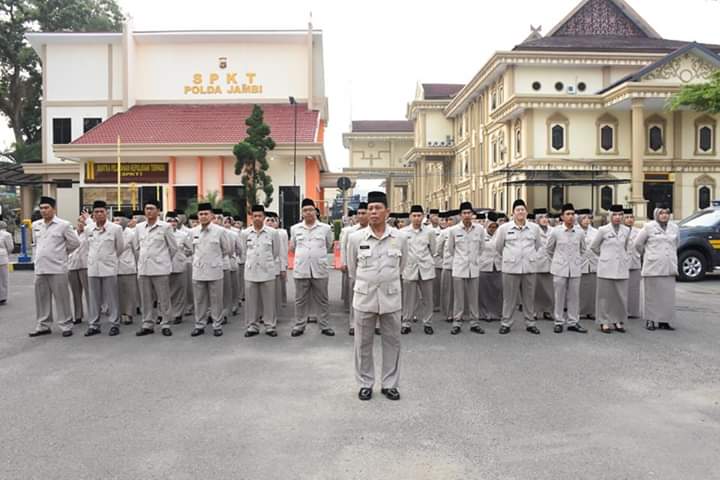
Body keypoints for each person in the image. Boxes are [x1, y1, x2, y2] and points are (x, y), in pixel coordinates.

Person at [347, 191, 407, 401]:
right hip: (364, 297)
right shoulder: (355, 239)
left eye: (378, 208)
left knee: (392, 342)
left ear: (387, 212)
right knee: (362, 343)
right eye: (370, 208)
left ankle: (390, 384)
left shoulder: (400, 238)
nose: (373, 212)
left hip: (391, 297)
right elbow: (353, 270)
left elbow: (402, 266)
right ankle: (365, 383)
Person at [29, 196, 80, 338]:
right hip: (40, 267)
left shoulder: (63, 225)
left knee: (62, 298)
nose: (43, 211)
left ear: (54, 209)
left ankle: (65, 325)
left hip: (57, 267)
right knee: (41, 298)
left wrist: (62, 254)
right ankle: (43, 325)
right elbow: (35, 244)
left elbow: (75, 243)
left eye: (46, 208)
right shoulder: (36, 225)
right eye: (41, 208)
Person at [495, 199, 542, 335]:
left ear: (526, 212)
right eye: (518, 210)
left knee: (529, 297)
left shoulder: (534, 228)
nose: (520, 212)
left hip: (529, 267)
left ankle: (530, 323)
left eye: (523, 210)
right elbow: (498, 247)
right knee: (509, 298)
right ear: (513, 213)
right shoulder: (504, 229)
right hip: (511, 268)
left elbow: (538, 245)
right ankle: (506, 323)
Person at [290, 198, 335, 337]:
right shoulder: (295, 229)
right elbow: (293, 247)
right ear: (302, 213)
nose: (308, 212)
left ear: (315, 211)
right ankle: (299, 325)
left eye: (311, 210)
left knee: (322, 299)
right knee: (300, 299)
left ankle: (324, 325)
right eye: (305, 210)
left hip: (319, 268)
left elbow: (329, 245)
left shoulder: (325, 228)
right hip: (301, 268)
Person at [133, 200, 178, 337]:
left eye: (152, 209)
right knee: (146, 298)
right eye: (147, 208)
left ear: (158, 211)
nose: (149, 211)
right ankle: (147, 323)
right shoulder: (139, 227)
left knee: (163, 298)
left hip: (160, 268)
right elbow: (136, 247)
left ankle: (165, 323)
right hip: (144, 268)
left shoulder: (165, 227)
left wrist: (163, 260)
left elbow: (173, 248)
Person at [634, 204, 679, 331]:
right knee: (652, 295)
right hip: (653, 265)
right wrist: (647, 254)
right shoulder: (648, 227)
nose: (664, 215)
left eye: (666, 212)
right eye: (661, 213)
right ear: (656, 214)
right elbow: (637, 244)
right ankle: (651, 319)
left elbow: (677, 243)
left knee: (667, 295)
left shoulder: (674, 227)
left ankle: (664, 320)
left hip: (669, 265)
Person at [84, 200, 125, 336]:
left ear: (106, 213)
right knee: (93, 297)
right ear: (93, 214)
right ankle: (94, 324)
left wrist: (109, 258)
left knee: (112, 297)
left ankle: (114, 323)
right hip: (93, 268)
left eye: (102, 211)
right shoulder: (88, 229)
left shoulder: (115, 229)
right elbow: (87, 247)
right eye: (96, 212)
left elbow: (119, 248)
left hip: (109, 267)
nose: (99, 214)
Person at [190, 203, 231, 337]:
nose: (203, 216)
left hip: (214, 271)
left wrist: (214, 260)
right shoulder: (193, 232)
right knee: (199, 300)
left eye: (206, 214)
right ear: (198, 216)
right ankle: (199, 325)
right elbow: (191, 249)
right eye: (201, 214)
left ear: (212, 215)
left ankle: (217, 325)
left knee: (216, 300)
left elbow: (227, 249)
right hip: (198, 271)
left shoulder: (220, 231)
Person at [546, 204, 588, 334]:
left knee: (574, 296)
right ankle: (558, 321)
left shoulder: (579, 232)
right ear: (562, 216)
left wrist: (577, 261)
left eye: (572, 214)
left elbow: (583, 249)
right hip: (559, 268)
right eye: (568, 214)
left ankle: (573, 322)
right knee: (559, 296)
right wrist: (558, 260)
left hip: (574, 268)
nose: (571, 217)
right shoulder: (556, 231)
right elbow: (549, 249)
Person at [590, 204, 631, 334]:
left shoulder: (626, 230)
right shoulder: (603, 230)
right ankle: (604, 321)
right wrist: (604, 256)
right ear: (610, 216)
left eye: (620, 215)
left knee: (620, 296)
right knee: (604, 296)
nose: (617, 217)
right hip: (606, 267)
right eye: (615, 215)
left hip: (621, 267)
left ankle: (618, 320)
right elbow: (594, 247)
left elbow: (625, 246)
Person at [241, 205, 281, 337]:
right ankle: (252, 326)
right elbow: (243, 251)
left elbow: (275, 252)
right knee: (251, 301)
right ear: (251, 217)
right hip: (251, 271)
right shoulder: (245, 233)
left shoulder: (272, 233)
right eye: (254, 216)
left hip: (267, 271)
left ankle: (270, 325)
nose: (257, 218)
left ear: (264, 217)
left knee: (269, 300)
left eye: (260, 216)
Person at [447, 202, 485, 335]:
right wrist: (460, 259)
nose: (467, 215)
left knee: (474, 297)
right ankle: (457, 322)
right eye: (464, 213)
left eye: (469, 213)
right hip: (459, 268)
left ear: (472, 214)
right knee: (458, 297)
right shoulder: (454, 230)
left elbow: (481, 247)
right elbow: (451, 249)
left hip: (473, 267)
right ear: (460, 215)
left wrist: (474, 258)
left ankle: (474, 323)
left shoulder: (479, 229)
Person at [400, 205, 437, 335]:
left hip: (425, 268)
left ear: (423, 217)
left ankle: (427, 322)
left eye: (419, 215)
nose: (416, 218)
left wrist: (426, 260)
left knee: (428, 298)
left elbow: (433, 250)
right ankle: (406, 322)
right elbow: (401, 251)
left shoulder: (429, 232)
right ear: (410, 217)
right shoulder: (403, 232)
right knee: (408, 298)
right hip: (409, 268)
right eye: (414, 216)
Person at [342, 202, 369, 336]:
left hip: (371, 270)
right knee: (354, 298)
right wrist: (345, 264)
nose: (361, 216)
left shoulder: (375, 230)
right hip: (355, 269)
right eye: (359, 213)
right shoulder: (350, 232)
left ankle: (375, 324)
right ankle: (353, 324)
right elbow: (345, 249)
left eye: (364, 213)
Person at [166, 212, 192, 325]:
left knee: (179, 292)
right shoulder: (161, 233)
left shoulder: (183, 235)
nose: (172, 223)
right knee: (164, 292)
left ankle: (178, 314)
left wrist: (182, 255)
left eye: (175, 221)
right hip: (163, 265)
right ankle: (164, 314)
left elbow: (191, 249)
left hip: (179, 265)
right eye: (170, 221)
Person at [113, 212, 138, 325]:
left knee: (129, 292)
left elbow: (136, 251)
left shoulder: (132, 234)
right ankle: (120, 313)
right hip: (114, 266)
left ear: (125, 221)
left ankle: (129, 313)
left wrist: (138, 266)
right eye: (115, 219)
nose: (116, 222)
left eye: (119, 219)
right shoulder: (112, 232)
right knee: (117, 293)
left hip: (128, 266)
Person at [478, 212, 503, 322]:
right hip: (484, 266)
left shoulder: (500, 235)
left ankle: (496, 313)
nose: (493, 229)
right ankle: (484, 313)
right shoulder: (481, 235)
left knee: (497, 291)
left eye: (495, 227)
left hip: (498, 266)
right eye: (491, 227)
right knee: (484, 292)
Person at [533, 208, 554, 321]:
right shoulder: (533, 230)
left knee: (549, 289)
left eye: (546, 217)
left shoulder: (553, 230)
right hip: (537, 262)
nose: (545, 220)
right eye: (541, 217)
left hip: (550, 262)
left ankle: (548, 310)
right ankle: (535, 311)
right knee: (536, 289)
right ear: (537, 219)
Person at [67, 215, 89, 323]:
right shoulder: (72, 233)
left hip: (85, 265)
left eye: (83, 222)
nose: (81, 224)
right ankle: (78, 315)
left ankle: (93, 315)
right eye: (79, 222)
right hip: (72, 265)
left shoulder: (89, 233)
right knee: (75, 292)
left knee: (89, 292)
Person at [577, 209, 598, 320]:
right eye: (584, 218)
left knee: (593, 289)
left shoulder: (595, 231)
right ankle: (581, 311)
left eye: (588, 218)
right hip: (580, 263)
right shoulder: (575, 230)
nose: (586, 221)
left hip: (593, 262)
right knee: (581, 289)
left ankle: (592, 311)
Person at [437, 211, 457, 322]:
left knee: (459, 292)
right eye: (448, 220)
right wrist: (445, 258)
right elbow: (438, 249)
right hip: (448, 265)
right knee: (448, 291)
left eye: (452, 219)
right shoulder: (444, 233)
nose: (449, 222)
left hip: (461, 266)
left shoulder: (461, 230)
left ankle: (459, 312)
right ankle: (448, 313)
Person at [624, 209, 642, 319]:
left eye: (631, 217)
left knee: (634, 288)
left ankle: (633, 311)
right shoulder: (619, 231)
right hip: (622, 263)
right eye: (627, 217)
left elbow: (642, 246)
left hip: (635, 261)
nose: (629, 220)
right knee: (623, 288)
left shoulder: (639, 231)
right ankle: (622, 310)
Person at [428, 209, 443, 312]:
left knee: (443, 285)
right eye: (433, 216)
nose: (436, 218)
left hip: (442, 260)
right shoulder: (427, 230)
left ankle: (442, 304)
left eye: (437, 216)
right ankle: (434, 304)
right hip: (432, 261)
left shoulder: (443, 230)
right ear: (430, 218)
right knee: (434, 286)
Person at [0, 220, 14, 305]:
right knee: (3, 279)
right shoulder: (7, 235)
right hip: (2, 258)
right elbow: (10, 247)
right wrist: (6, 253)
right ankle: (2, 297)